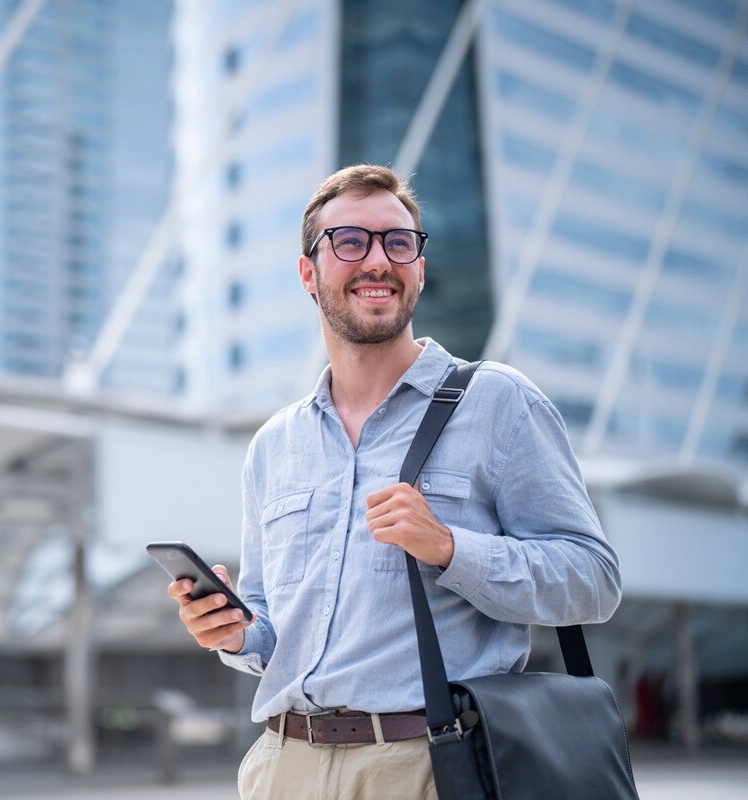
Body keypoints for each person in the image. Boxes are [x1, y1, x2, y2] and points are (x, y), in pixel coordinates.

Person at [166, 164, 622, 799]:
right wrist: (237, 632)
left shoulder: (496, 402)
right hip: (284, 768)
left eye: (397, 243)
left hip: (425, 767)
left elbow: (593, 582)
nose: (377, 260)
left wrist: (451, 548)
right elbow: (274, 627)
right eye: (351, 242)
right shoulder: (276, 445)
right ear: (309, 274)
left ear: (420, 270)